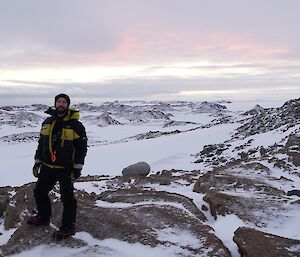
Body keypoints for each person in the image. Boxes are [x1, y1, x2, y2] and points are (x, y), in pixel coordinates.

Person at [27, 94, 88, 239]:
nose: (61, 104)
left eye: (64, 102)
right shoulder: (47, 122)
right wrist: (37, 161)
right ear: (55, 104)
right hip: (48, 166)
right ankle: (43, 217)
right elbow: (41, 144)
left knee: (67, 197)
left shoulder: (76, 125)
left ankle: (68, 227)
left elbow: (81, 148)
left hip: (65, 168)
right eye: (59, 102)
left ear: (67, 105)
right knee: (39, 192)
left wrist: (77, 168)